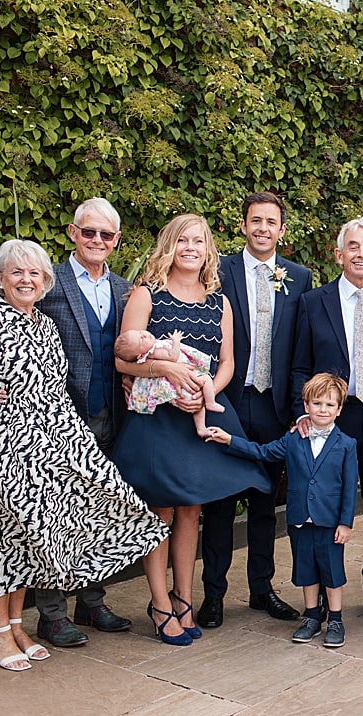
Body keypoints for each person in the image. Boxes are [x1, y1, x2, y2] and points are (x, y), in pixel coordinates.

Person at [0, 239, 168, 671]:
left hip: (51, 446)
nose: (26, 280)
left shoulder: (44, 325)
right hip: (5, 450)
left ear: (45, 281)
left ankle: (16, 626)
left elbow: (52, 392)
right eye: (16, 273)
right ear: (0, 279)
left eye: (34, 273)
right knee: (1, 540)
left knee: (25, 542)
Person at [112, 214, 271, 646]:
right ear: (169, 244)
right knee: (160, 511)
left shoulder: (218, 300)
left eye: (198, 241)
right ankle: (160, 603)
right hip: (157, 421)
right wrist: (163, 367)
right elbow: (122, 358)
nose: (190, 247)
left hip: (199, 417)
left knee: (190, 511)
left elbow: (228, 364)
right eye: (183, 239)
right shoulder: (148, 294)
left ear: (208, 249)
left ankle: (185, 598)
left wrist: (205, 396)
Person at [199, 192, 313, 628]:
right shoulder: (220, 270)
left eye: (271, 222)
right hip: (229, 399)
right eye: (256, 221)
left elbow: (299, 345)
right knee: (222, 503)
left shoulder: (298, 277)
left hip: (274, 402)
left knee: (266, 504)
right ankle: (213, 594)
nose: (263, 228)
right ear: (243, 226)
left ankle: (262, 590)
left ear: (281, 230)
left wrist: (297, 406)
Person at [291, 215, 363, 623]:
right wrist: (301, 416)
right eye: (352, 247)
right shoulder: (313, 302)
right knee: (322, 506)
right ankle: (322, 590)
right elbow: (299, 367)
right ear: (339, 254)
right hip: (329, 419)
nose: (361, 254)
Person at [34, 197, 136, 647]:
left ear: (116, 241)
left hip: (111, 415)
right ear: (73, 233)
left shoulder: (124, 290)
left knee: (98, 510)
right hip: (57, 420)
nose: (97, 240)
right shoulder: (47, 282)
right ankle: (51, 613)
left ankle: (92, 603)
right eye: (88, 232)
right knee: (54, 514)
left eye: (106, 235)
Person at [206, 373, 358, 648]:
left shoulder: (347, 444)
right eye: (317, 404)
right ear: (306, 405)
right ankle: (311, 616)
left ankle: (335, 619)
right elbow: (262, 452)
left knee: (332, 571)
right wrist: (230, 440)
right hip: (301, 519)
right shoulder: (292, 439)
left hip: (329, 520)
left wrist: (345, 523)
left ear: (339, 409)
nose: (322, 410)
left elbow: (349, 487)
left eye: (329, 405)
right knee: (306, 570)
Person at [115, 329, 225, 437]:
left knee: (196, 406)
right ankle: (210, 403)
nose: (144, 335)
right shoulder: (154, 351)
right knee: (206, 380)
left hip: (177, 384)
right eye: (141, 340)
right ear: (140, 355)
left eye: (140, 333)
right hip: (180, 384)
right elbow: (173, 356)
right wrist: (176, 341)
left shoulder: (151, 351)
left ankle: (201, 428)